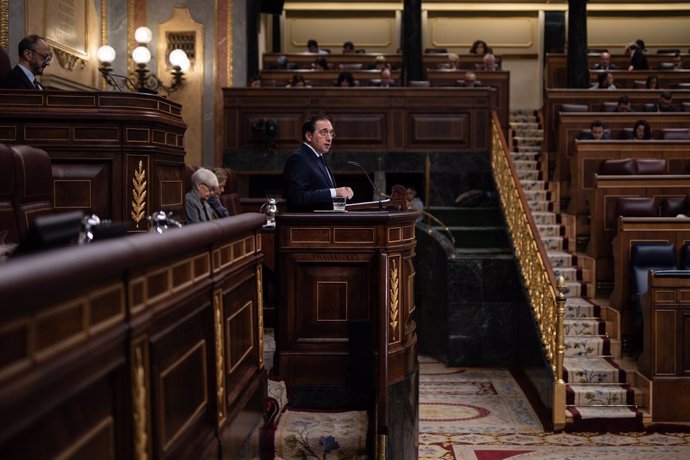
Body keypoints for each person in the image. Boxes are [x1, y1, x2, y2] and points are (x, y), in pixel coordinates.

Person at [282, 114, 354, 212]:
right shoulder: (298, 159)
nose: (329, 138)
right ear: (308, 136)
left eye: (331, 133)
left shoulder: (318, 157)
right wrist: (335, 192)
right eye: (324, 133)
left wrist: (342, 194)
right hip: (306, 224)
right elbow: (297, 197)